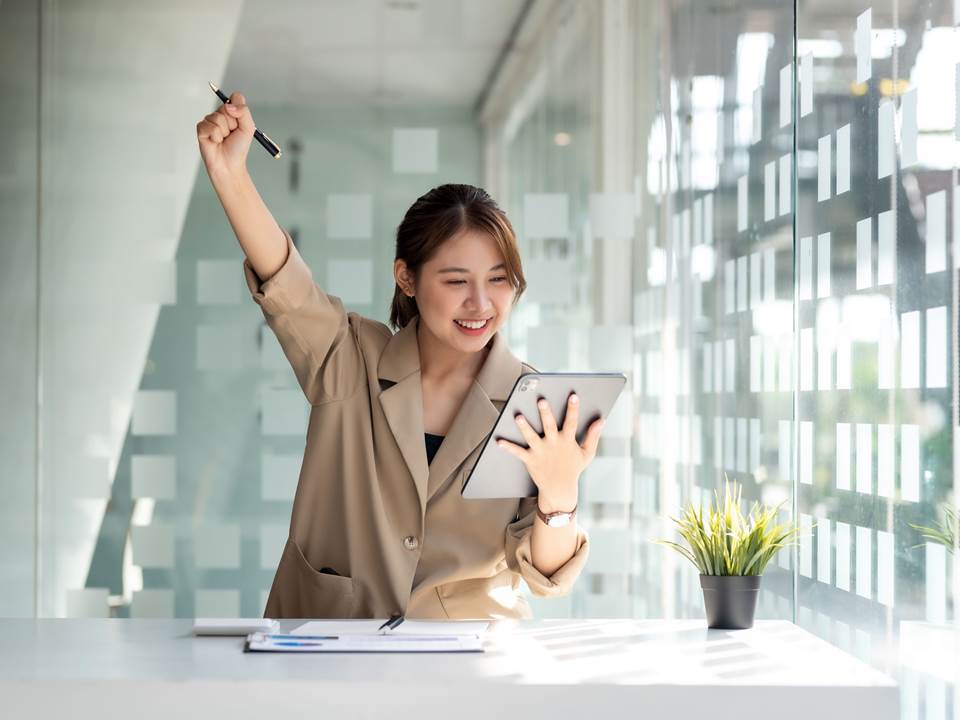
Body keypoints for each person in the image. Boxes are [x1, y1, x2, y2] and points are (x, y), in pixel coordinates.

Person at [195, 92, 604, 619]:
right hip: (334, 643)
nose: (480, 304)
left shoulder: (532, 402)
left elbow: (545, 578)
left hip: (465, 659)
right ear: (406, 277)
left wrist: (559, 490)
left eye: (498, 280)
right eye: (456, 281)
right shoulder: (349, 359)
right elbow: (286, 284)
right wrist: (230, 174)